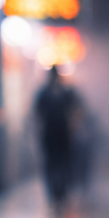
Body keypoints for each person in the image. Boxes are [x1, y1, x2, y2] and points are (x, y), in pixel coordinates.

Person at [31, 65, 86, 207]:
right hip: (50, 134)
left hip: (63, 134)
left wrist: (74, 125)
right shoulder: (45, 93)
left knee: (63, 162)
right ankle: (53, 191)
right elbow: (37, 113)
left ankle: (63, 190)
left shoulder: (66, 93)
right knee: (51, 162)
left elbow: (77, 109)